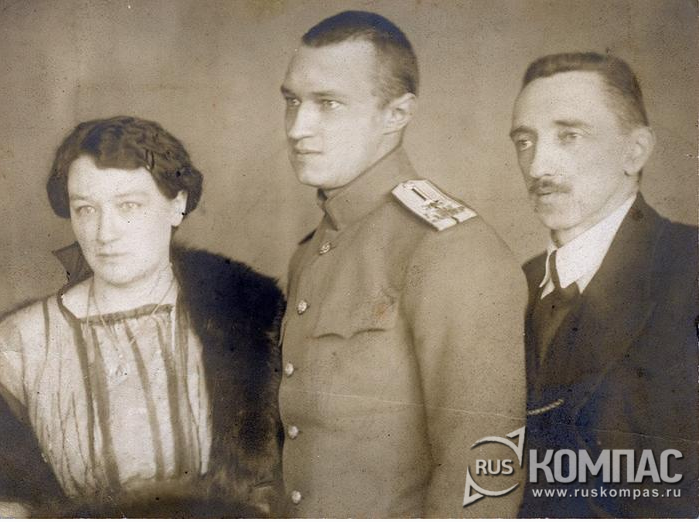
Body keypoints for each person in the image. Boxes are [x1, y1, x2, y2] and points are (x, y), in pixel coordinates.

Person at [278, 10, 527, 517]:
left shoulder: (449, 249)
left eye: (328, 104)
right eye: (292, 101)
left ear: (397, 114)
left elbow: (485, 470)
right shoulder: (311, 250)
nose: (299, 128)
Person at [0, 116, 285, 517]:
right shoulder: (22, 344)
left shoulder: (248, 320)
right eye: (86, 209)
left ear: (177, 204)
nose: (105, 232)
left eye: (128, 206)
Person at [509, 52, 698, 517]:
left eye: (569, 136)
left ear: (635, 151)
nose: (538, 167)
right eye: (525, 141)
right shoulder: (515, 284)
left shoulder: (689, 268)